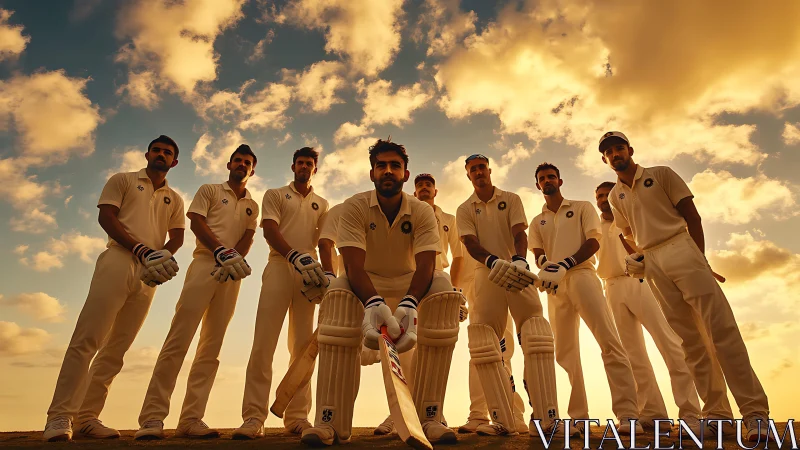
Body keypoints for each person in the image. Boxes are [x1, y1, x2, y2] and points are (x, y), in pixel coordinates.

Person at [599, 131, 770, 441]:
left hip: (681, 246)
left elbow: (693, 216)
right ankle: (717, 415)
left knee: (721, 331)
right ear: (604, 159)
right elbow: (627, 234)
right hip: (654, 262)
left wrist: (699, 258)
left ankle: (755, 413)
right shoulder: (615, 197)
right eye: (609, 152)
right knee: (690, 341)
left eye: (619, 148)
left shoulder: (661, 174)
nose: (615, 154)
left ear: (630, 150)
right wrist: (639, 257)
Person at [301, 139, 462, 446]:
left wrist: (410, 303)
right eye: (381, 166)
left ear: (405, 173)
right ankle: (329, 420)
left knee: (443, 289)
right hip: (364, 280)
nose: (388, 171)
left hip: (409, 281)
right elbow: (352, 264)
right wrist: (374, 302)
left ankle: (429, 416)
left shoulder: (421, 210)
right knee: (337, 292)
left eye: (395, 166)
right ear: (372, 173)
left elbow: (427, 264)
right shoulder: (355, 206)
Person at [43, 135, 185, 442]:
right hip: (118, 259)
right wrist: (140, 249)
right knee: (87, 339)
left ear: (174, 162)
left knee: (117, 348)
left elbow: (177, 236)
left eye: (167, 153)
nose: (161, 155)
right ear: (147, 154)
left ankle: (87, 417)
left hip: (148, 272)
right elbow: (106, 217)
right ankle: (60, 416)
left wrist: (162, 256)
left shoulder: (174, 198)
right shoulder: (123, 180)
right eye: (157, 150)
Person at [134, 145, 260, 439]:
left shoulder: (252, 205)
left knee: (211, 348)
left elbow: (249, 236)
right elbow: (196, 222)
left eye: (247, 162)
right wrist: (220, 251)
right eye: (238, 160)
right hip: (205, 263)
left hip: (231, 273)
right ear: (229, 164)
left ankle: (191, 419)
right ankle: (152, 418)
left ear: (252, 170)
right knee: (178, 340)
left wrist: (234, 258)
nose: (242, 164)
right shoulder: (210, 190)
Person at [528, 163, 642, 436]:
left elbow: (593, 242)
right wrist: (546, 265)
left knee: (609, 343)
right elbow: (538, 251)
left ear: (560, 180)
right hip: (556, 284)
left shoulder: (581, 207)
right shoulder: (537, 220)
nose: (547, 181)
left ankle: (628, 415)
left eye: (551, 177)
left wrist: (566, 263)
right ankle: (579, 418)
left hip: (582, 275)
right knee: (565, 352)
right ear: (538, 185)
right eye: (542, 178)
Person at [456, 154, 559, 437]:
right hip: (486, 274)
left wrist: (519, 260)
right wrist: (493, 262)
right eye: (473, 169)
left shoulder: (511, 199)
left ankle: (546, 418)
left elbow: (518, 233)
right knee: (485, 341)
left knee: (536, 335)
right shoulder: (464, 208)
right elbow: (470, 243)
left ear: (489, 170)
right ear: (468, 175)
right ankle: (503, 420)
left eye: (481, 167)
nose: (478, 172)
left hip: (516, 270)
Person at [233, 147, 330, 439]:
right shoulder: (275, 194)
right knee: (264, 342)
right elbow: (270, 230)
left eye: (309, 163)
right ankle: (253, 417)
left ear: (315, 169)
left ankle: (297, 416)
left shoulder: (322, 204)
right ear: (293, 166)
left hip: (309, 274)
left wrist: (328, 275)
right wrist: (293, 256)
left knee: (303, 347)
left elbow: (325, 242)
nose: (304, 167)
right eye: (300, 162)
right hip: (279, 265)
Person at [594, 181, 703, 429]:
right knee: (632, 353)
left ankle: (690, 412)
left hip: (641, 280)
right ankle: (653, 413)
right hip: (611, 286)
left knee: (669, 344)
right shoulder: (594, 226)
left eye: (607, 195)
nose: (602, 199)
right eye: (599, 196)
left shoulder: (630, 217)